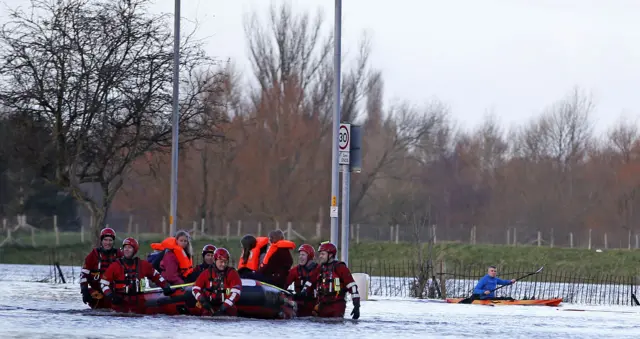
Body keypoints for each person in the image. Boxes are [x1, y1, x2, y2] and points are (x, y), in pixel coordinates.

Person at [100, 237, 173, 313]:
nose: (127, 249)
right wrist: (111, 296)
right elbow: (103, 284)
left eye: (129, 247)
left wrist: (165, 285)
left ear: (134, 250)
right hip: (120, 306)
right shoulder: (115, 266)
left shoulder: (143, 265)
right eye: (125, 247)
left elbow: (157, 276)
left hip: (139, 306)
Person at [313, 241, 360, 319]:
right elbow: (311, 282)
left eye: (323, 254)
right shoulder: (320, 268)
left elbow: (352, 286)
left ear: (331, 255)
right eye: (320, 254)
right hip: (322, 305)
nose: (320, 256)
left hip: (336, 305)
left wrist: (356, 305)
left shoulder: (340, 267)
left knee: (335, 323)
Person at [80, 227, 123, 308]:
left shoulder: (119, 255)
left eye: (110, 240)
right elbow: (83, 274)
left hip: (113, 291)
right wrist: (84, 290)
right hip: (98, 292)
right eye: (105, 240)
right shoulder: (94, 255)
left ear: (113, 241)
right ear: (101, 241)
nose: (108, 242)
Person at [192, 248, 243, 317]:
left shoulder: (232, 273)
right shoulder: (206, 273)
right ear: (214, 260)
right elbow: (195, 288)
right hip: (209, 307)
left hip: (226, 308)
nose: (223, 264)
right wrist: (202, 300)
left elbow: (236, 292)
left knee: (231, 313)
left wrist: (224, 307)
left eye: (225, 262)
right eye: (221, 262)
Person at [286, 244, 318, 317]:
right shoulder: (295, 271)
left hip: (313, 304)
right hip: (299, 304)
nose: (300, 257)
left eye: (303, 255)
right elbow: (285, 284)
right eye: (300, 255)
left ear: (309, 257)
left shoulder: (318, 269)